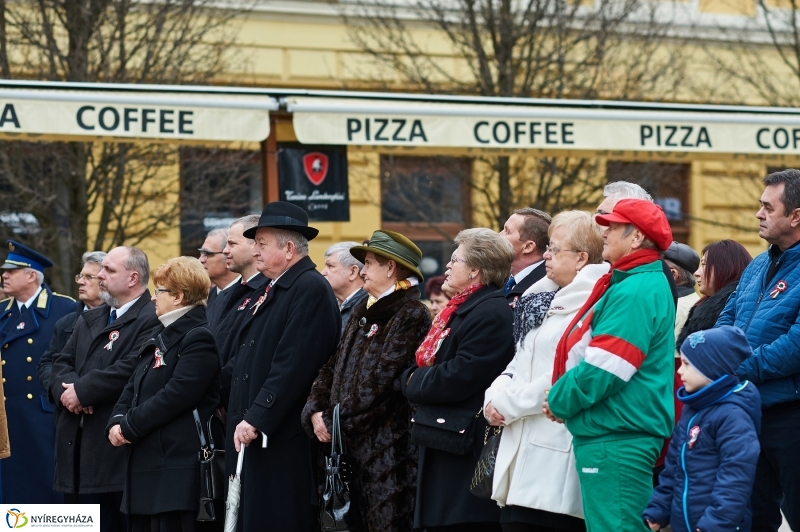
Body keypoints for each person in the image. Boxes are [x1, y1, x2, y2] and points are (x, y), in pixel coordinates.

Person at [544, 199, 675, 531]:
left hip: (617, 434)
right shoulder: (633, 282)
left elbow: (606, 368)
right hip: (615, 430)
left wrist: (559, 399)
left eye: (614, 226)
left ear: (636, 238)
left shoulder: (635, 289)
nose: (604, 232)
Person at [484, 211, 608, 532]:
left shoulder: (594, 302)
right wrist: (493, 397)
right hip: (521, 442)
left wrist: (506, 406)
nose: (547, 255)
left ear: (581, 258)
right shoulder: (543, 296)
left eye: (555, 249)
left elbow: (567, 373)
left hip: (553, 451)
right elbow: (519, 359)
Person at [303, 230, 432, 532]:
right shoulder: (366, 308)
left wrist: (335, 418)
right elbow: (331, 367)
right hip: (348, 448)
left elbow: (383, 384)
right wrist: (315, 410)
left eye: (370, 263)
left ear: (390, 268)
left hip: (386, 454)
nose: (362, 271)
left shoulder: (411, 314)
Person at [223, 202, 340, 532]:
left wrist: (258, 416)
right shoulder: (275, 287)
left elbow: (293, 365)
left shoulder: (309, 289)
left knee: (277, 517)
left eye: (261, 244)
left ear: (288, 249)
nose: (255, 252)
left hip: (281, 437)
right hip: (257, 433)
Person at [402, 228, 516, 532]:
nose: (448, 266)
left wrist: (412, 381)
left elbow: (461, 374)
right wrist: (414, 377)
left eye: (455, 260)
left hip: (464, 448)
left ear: (476, 269)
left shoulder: (490, 310)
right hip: (446, 439)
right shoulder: (462, 308)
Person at [107, 256, 221, 532]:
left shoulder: (197, 337)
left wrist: (130, 425)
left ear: (179, 297)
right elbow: (132, 387)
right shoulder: (160, 335)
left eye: (160, 291)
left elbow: (177, 394)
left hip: (175, 467)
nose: (153, 298)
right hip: (148, 464)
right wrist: (116, 420)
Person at [50, 246, 159, 532]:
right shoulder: (92, 317)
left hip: (115, 456)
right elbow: (61, 362)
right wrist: (68, 393)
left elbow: (131, 367)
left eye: (109, 270)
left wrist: (83, 391)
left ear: (133, 278)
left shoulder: (152, 317)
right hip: (75, 453)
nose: (100, 275)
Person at [715, 168, 800, 531]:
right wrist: (715, 356)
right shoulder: (759, 264)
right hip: (747, 413)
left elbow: (795, 346)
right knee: (750, 520)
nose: (758, 214)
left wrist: (735, 368)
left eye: (768, 207)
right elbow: (727, 318)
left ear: (796, 216)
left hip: (791, 418)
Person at [643, 326, 761, 532]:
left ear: (711, 368)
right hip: (685, 523)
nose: (679, 370)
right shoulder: (692, 410)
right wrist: (659, 508)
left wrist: (715, 524)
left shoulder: (732, 416)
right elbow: (673, 467)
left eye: (687, 364)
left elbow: (735, 479)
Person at [0, 240, 75, 503]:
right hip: (7, 420)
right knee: (11, 492)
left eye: (11, 271)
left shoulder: (64, 309)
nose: (4, 275)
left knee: (44, 489)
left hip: (43, 417)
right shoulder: (3, 312)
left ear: (32, 276)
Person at [595, 181, 679, 307]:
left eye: (604, 215)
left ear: (636, 235)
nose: (594, 220)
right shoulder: (624, 270)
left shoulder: (640, 285)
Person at [38, 251, 107, 395]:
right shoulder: (65, 323)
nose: (81, 282)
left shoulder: (118, 320)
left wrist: (83, 392)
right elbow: (47, 364)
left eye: (89, 277)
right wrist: (65, 390)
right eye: (80, 276)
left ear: (105, 280)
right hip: (68, 410)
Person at [214, 215, 269, 365]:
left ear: (255, 246)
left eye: (232, 244)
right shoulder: (225, 294)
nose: (225, 251)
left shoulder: (268, 293)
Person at [678, 240, 752, 348]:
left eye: (704, 265)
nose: (696, 273)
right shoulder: (707, 304)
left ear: (725, 268)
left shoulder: (736, 309)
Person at [499, 208, 551, 306]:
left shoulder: (543, 289)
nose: (499, 235)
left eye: (507, 231)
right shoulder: (500, 279)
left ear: (528, 247)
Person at [321, 241, 367, 333]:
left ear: (353, 272)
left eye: (330, 266)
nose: (323, 272)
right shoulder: (330, 304)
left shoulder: (366, 308)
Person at [200, 228, 239, 328]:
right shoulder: (206, 298)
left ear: (228, 256)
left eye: (207, 254)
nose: (200, 260)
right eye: (201, 253)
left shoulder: (246, 296)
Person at [663, 242, 701, 341]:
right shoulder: (693, 302)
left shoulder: (679, 309)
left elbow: (675, 356)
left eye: (656, 270)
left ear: (673, 275)